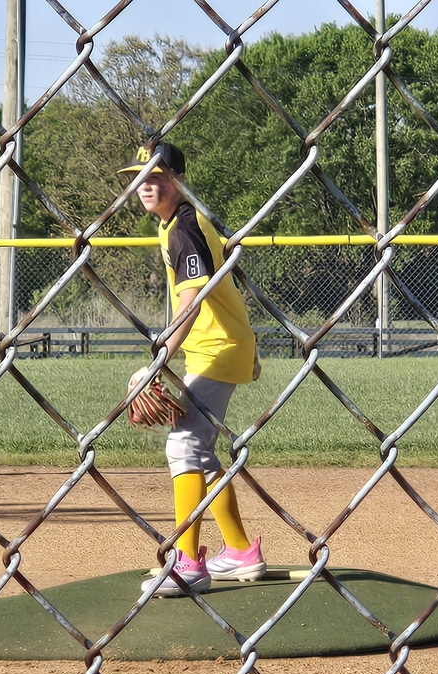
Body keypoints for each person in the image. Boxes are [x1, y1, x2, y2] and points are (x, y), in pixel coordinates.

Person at [118, 141, 265, 597]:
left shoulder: (182, 228)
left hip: (219, 348)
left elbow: (192, 300)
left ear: (177, 179)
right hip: (215, 348)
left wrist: (160, 357)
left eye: (157, 176)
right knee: (200, 448)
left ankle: (187, 564)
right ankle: (240, 551)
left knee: (184, 443)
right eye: (141, 176)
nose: (146, 184)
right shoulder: (178, 224)